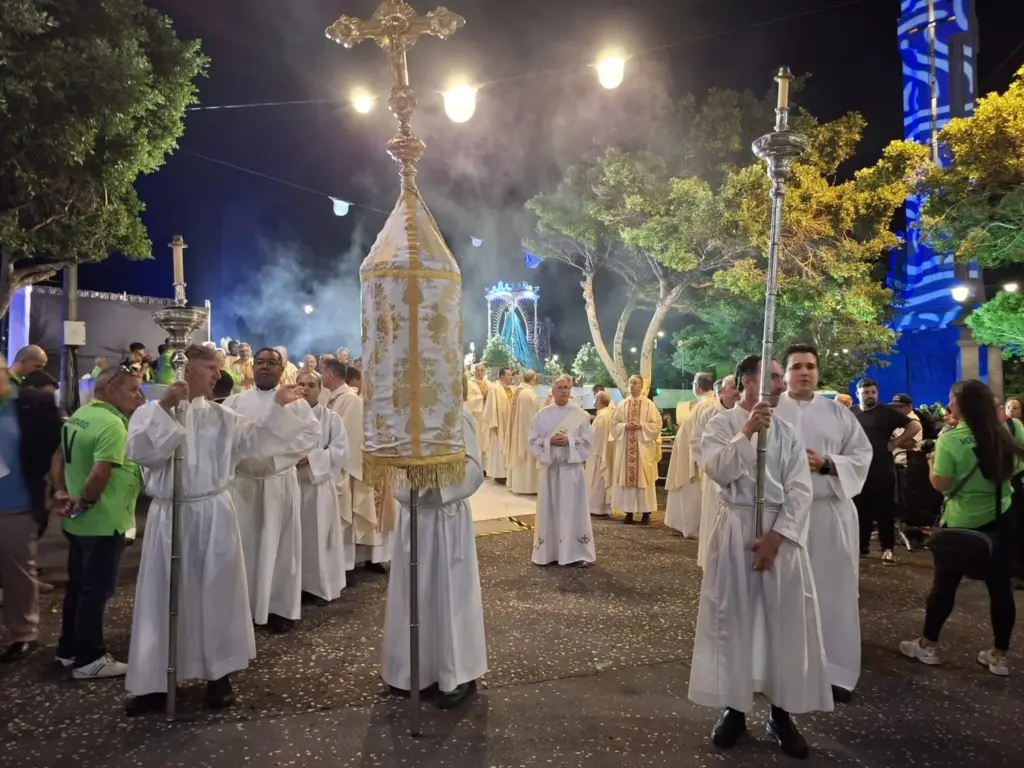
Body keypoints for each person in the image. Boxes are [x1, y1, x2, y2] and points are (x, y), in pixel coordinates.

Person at [122, 344, 318, 715]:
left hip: (214, 512)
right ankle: (155, 683)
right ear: (187, 370)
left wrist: (278, 405)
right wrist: (166, 409)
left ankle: (219, 677)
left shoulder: (222, 416)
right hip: (171, 516)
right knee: (163, 598)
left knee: (217, 595)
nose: (218, 375)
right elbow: (140, 452)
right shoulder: (151, 411)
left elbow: (258, 440)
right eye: (211, 368)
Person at [690, 355, 830, 759]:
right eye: (771, 376)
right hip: (735, 527)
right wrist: (747, 433)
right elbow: (718, 470)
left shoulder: (786, 430)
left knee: (781, 622)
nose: (781, 382)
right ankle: (734, 707)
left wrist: (778, 536)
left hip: (778, 533)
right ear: (745, 381)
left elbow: (799, 489)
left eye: (779, 376)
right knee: (733, 619)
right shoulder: (720, 423)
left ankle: (782, 712)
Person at [901, 379, 1024, 676]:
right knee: (1000, 590)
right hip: (1002, 520)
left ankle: (928, 646)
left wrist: (931, 463)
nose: (947, 404)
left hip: (960, 524)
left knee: (944, 586)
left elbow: (941, 485)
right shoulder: (1012, 430)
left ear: (961, 405)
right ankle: (999, 656)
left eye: (950, 398)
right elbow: (1017, 468)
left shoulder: (951, 439)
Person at [774, 345, 873, 703]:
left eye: (811, 367)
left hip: (829, 514)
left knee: (832, 594)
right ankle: (778, 668)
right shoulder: (771, 411)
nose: (804, 372)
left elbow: (863, 457)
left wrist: (828, 463)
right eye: (797, 367)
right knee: (781, 594)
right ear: (784, 374)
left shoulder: (838, 412)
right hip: (782, 519)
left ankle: (834, 671)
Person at [382, 394, 487, 709]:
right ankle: (409, 671)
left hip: (445, 516)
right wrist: (406, 485)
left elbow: (473, 469)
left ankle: (455, 673)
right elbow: (390, 461)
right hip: (412, 515)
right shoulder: (404, 419)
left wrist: (432, 485)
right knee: (412, 594)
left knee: (449, 593)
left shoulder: (458, 417)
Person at [51, 367, 144, 679]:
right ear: (111, 389)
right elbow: (100, 473)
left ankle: (68, 650)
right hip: (103, 522)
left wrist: (61, 492)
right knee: (95, 591)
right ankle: (90, 659)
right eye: (132, 390)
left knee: (77, 588)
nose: (138, 396)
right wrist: (87, 501)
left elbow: (57, 460)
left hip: (77, 523)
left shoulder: (80, 415)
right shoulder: (113, 424)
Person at [223, 348, 318, 633]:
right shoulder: (235, 401)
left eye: (271, 363)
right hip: (244, 484)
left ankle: (280, 608)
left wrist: (273, 458)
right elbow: (226, 437)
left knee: (282, 547)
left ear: (282, 368)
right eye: (260, 363)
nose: (264, 367)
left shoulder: (296, 402)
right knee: (245, 546)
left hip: (278, 480)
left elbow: (310, 435)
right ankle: (245, 606)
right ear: (253, 367)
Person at [0, 352, 63, 663]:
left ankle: (24, 632)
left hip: (15, 503)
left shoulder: (30, 404)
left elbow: (53, 448)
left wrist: (56, 486)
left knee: (17, 573)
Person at [851, 378, 921, 564]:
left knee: (885, 512)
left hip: (883, 470)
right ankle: (861, 547)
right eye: (866, 392)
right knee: (860, 511)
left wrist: (895, 443)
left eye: (873, 392)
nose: (870, 396)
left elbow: (914, 426)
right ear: (858, 394)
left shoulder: (886, 412)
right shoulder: (851, 413)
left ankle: (887, 549)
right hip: (858, 470)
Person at [294, 371, 349, 606]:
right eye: (300, 384)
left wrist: (312, 458)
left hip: (317, 487)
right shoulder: (286, 415)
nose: (305, 389)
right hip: (291, 486)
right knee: (294, 540)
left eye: (310, 385)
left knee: (318, 538)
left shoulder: (331, 418)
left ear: (320, 389)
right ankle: (293, 588)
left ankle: (319, 587)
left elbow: (340, 451)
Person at [529, 376, 596, 567]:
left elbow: (589, 441)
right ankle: (549, 553)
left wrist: (570, 441)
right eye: (560, 387)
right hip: (551, 470)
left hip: (572, 471)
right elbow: (533, 441)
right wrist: (550, 442)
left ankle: (575, 553)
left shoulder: (579, 415)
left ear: (571, 390)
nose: (564, 391)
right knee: (550, 510)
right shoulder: (542, 415)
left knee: (572, 512)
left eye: (567, 387)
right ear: (553, 389)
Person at [335, 365, 394, 572]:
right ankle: (367, 556)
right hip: (366, 458)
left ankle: (377, 556)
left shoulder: (381, 401)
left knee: (378, 510)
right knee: (364, 508)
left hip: (380, 458)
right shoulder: (355, 400)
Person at [693, 375, 740, 569]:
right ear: (722, 391)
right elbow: (696, 442)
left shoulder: (744, 413)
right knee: (713, 518)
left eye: (739, 388)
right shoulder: (710, 413)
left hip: (740, 481)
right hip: (714, 479)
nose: (738, 392)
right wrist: (711, 465)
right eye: (733, 388)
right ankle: (710, 562)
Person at [665, 372, 716, 537]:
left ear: (697, 386)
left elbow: (698, 436)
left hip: (693, 462)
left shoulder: (705, 405)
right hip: (692, 459)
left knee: (694, 497)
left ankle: (694, 529)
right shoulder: (707, 403)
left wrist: (696, 459)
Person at [609, 375, 662, 525]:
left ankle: (646, 513)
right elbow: (613, 423)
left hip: (643, 447)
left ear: (642, 386)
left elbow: (657, 423)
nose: (632, 386)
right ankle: (629, 512)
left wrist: (642, 426)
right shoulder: (622, 404)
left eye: (635, 383)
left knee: (644, 478)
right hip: (627, 447)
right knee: (628, 478)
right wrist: (625, 426)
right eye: (630, 383)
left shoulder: (648, 404)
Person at [506, 370, 542, 495]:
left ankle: (518, 485)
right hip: (527, 431)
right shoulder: (530, 394)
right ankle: (528, 487)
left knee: (520, 456)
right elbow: (538, 415)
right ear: (534, 379)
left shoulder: (518, 391)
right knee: (527, 459)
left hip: (519, 429)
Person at [482, 368, 515, 484]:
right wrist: (494, 422)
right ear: (501, 376)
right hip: (498, 425)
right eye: (509, 375)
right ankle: (499, 474)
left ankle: (507, 474)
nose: (511, 377)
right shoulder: (495, 389)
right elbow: (490, 407)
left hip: (508, 424)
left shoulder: (510, 389)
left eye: (511, 375)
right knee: (498, 449)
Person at [585, 391, 614, 517]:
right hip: (603, 450)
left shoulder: (602, 416)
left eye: (596, 398)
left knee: (595, 479)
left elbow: (594, 435)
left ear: (600, 400)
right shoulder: (608, 413)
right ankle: (602, 507)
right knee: (600, 480)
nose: (594, 400)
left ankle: (595, 507)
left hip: (597, 452)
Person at [466, 364, 490, 467]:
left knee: (487, 441)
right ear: (473, 371)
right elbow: (469, 400)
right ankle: (479, 466)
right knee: (478, 442)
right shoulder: (469, 384)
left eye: (482, 370)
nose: (479, 372)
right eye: (477, 370)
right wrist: (482, 397)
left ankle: (487, 467)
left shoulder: (488, 383)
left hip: (487, 416)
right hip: (476, 416)